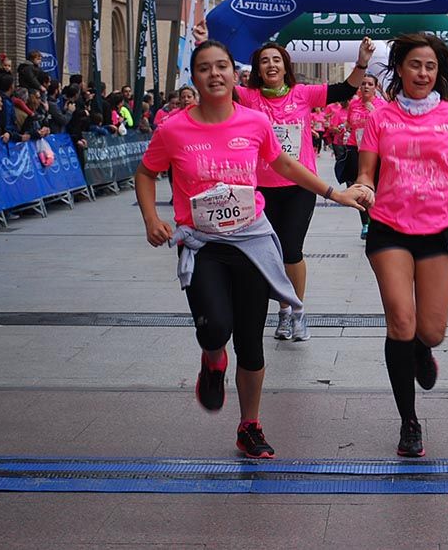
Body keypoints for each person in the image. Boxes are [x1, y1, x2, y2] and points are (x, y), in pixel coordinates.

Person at [135, 40, 370, 459]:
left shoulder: (254, 122)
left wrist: (334, 193)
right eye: (204, 67)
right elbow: (146, 172)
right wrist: (152, 219)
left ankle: (249, 425)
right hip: (204, 243)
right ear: (194, 76)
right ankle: (212, 361)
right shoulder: (173, 129)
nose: (214, 74)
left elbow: (285, 165)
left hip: (251, 242)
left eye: (222, 66)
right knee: (214, 329)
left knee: (250, 340)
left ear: (233, 74)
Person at [355, 32, 448, 458]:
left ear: (438, 73)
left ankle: (423, 350)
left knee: (431, 331)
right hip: (389, 229)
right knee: (401, 322)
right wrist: (363, 188)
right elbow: (367, 170)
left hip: (442, 229)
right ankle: (409, 422)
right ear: (400, 68)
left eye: (431, 67)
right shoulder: (379, 117)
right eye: (415, 65)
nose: (423, 73)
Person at [230, 32, 376, 342]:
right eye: (264, 61)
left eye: (276, 60)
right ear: (257, 69)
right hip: (261, 188)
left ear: (285, 66)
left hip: (300, 186)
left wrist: (362, 63)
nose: (271, 65)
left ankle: (296, 311)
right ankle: (282, 311)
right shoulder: (247, 97)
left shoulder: (302, 94)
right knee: (269, 251)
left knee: (291, 249)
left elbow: (343, 88)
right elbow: (215, 82)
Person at [342, 73, 387, 239]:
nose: (366, 87)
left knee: (376, 187)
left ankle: (378, 220)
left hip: (375, 151)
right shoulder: (354, 104)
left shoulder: (382, 105)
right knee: (359, 187)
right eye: (363, 84)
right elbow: (349, 123)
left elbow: (388, 128)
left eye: (369, 84)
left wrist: (374, 112)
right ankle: (366, 223)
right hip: (355, 148)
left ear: (375, 87)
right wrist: (343, 128)